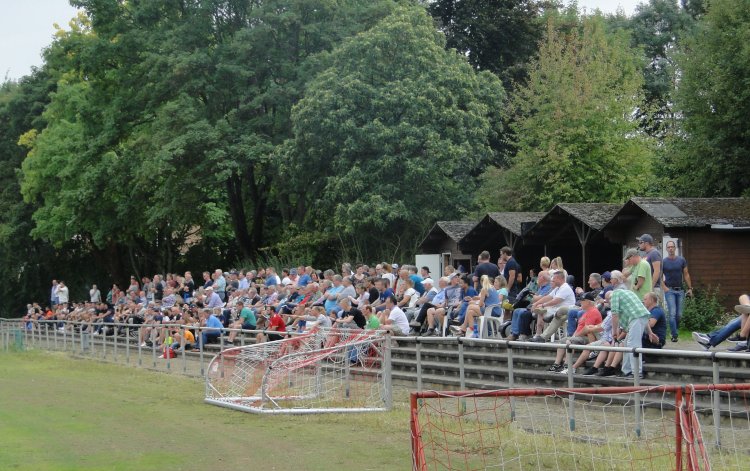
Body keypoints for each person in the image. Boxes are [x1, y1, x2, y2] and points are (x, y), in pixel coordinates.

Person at [608, 271, 659, 378]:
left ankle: (637, 372)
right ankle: (626, 371)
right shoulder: (629, 293)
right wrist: (650, 332)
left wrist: (614, 332)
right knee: (627, 344)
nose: (609, 303)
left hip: (636, 318)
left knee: (633, 344)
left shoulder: (615, 295)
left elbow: (614, 314)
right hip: (639, 317)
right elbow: (642, 314)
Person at [547, 292, 602, 373]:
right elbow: (580, 327)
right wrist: (574, 335)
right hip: (581, 336)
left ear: (589, 302)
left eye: (583, 300)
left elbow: (588, 330)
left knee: (569, 341)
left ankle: (566, 366)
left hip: (588, 338)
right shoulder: (586, 312)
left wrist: (576, 336)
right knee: (564, 340)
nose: (580, 302)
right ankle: (557, 364)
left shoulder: (593, 311)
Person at [529, 271, 577, 342]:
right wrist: (536, 304)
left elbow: (556, 301)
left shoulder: (565, 288)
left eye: (554, 278)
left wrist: (543, 305)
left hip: (564, 312)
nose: (552, 280)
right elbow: (548, 297)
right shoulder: (557, 288)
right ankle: (539, 334)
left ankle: (539, 335)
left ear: (559, 278)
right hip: (555, 309)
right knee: (540, 309)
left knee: (541, 310)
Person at [661, 240, 693, 342]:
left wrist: (690, 288)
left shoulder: (681, 260)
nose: (670, 249)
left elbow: (686, 274)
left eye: (672, 247)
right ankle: (674, 335)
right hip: (669, 290)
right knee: (672, 313)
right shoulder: (664, 262)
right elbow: (659, 277)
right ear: (666, 249)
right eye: (669, 247)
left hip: (680, 291)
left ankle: (674, 331)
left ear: (675, 248)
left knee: (679, 315)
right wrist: (664, 287)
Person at [638, 234, 662, 303]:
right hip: (647, 288)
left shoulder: (654, 253)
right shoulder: (647, 254)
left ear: (647, 243)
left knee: (653, 311)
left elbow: (657, 271)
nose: (639, 244)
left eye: (640, 242)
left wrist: (651, 287)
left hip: (653, 288)